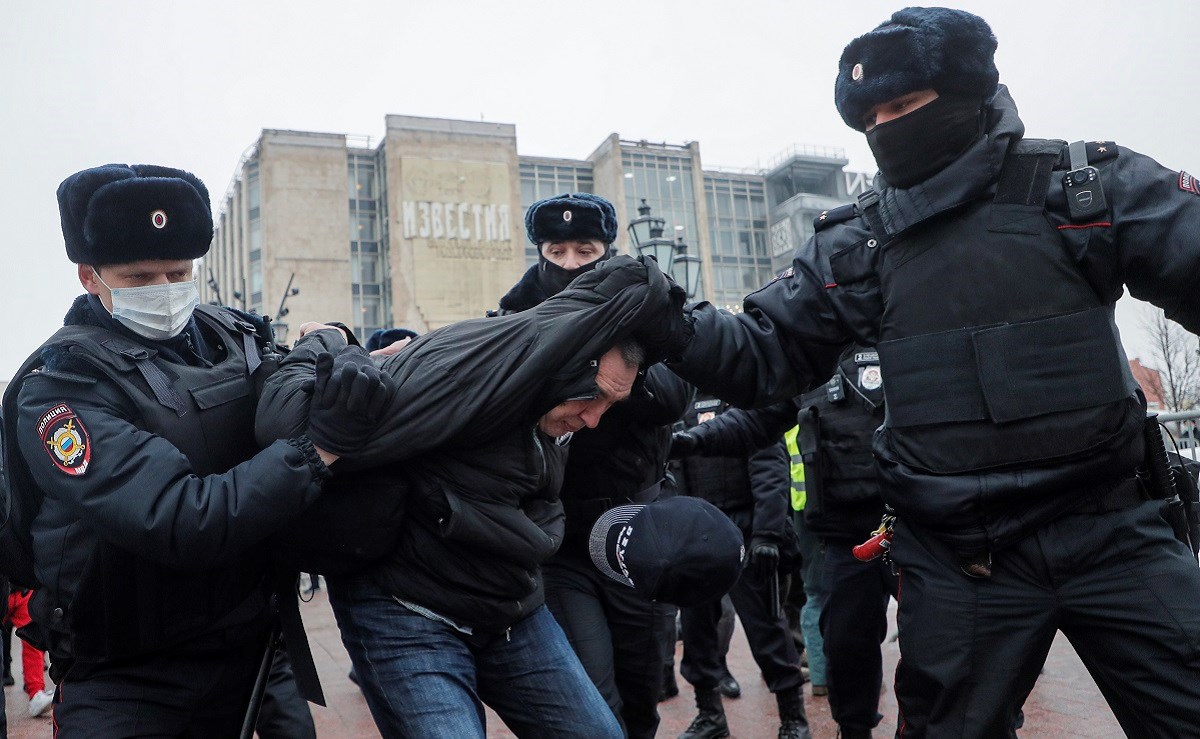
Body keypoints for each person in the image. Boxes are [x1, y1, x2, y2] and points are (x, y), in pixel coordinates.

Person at [665, 7, 1200, 735]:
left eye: (905, 106)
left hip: (1114, 531)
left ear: (965, 93)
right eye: (872, 117)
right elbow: (763, 353)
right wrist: (660, 315)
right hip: (962, 561)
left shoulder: (1078, 187)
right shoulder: (860, 243)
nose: (887, 127)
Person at [5, 163, 379, 735]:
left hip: (251, 645)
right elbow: (180, 518)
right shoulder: (60, 387)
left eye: (179, 273)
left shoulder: (233, 337)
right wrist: (319, 447)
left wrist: (330, 348)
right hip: (128, 677)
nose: (164, 292)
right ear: (89, 276)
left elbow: (290, 398)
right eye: (139, 277)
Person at [256, 253, 687, 738]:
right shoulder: (467, 370)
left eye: (612, 404)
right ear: (568, 359)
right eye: (593, 396)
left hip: (512, 610)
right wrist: (327, 342)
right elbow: (290, 425)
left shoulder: (555, 395)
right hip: (407, 614)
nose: (593, 419)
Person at [496, 192, 692, 738]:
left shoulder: (653, 307)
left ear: (605, 252)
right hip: (563, 538)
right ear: (541, 253)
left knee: (641, 693)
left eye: (585, 251)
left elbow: (674, 396)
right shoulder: (515, 317)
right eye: (557, 251)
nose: (571, 264)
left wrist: (604, 346)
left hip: (639, 527)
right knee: (589, 691)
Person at [670, 394, 809, 739]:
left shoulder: (744, 397)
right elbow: (673, 473)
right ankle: (710, 715)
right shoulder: (681, 405)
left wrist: (767, 535)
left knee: (768, 630)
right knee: (697, 630)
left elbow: (769, 468)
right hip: (697, 530)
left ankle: (793, 719)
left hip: (747, 529)